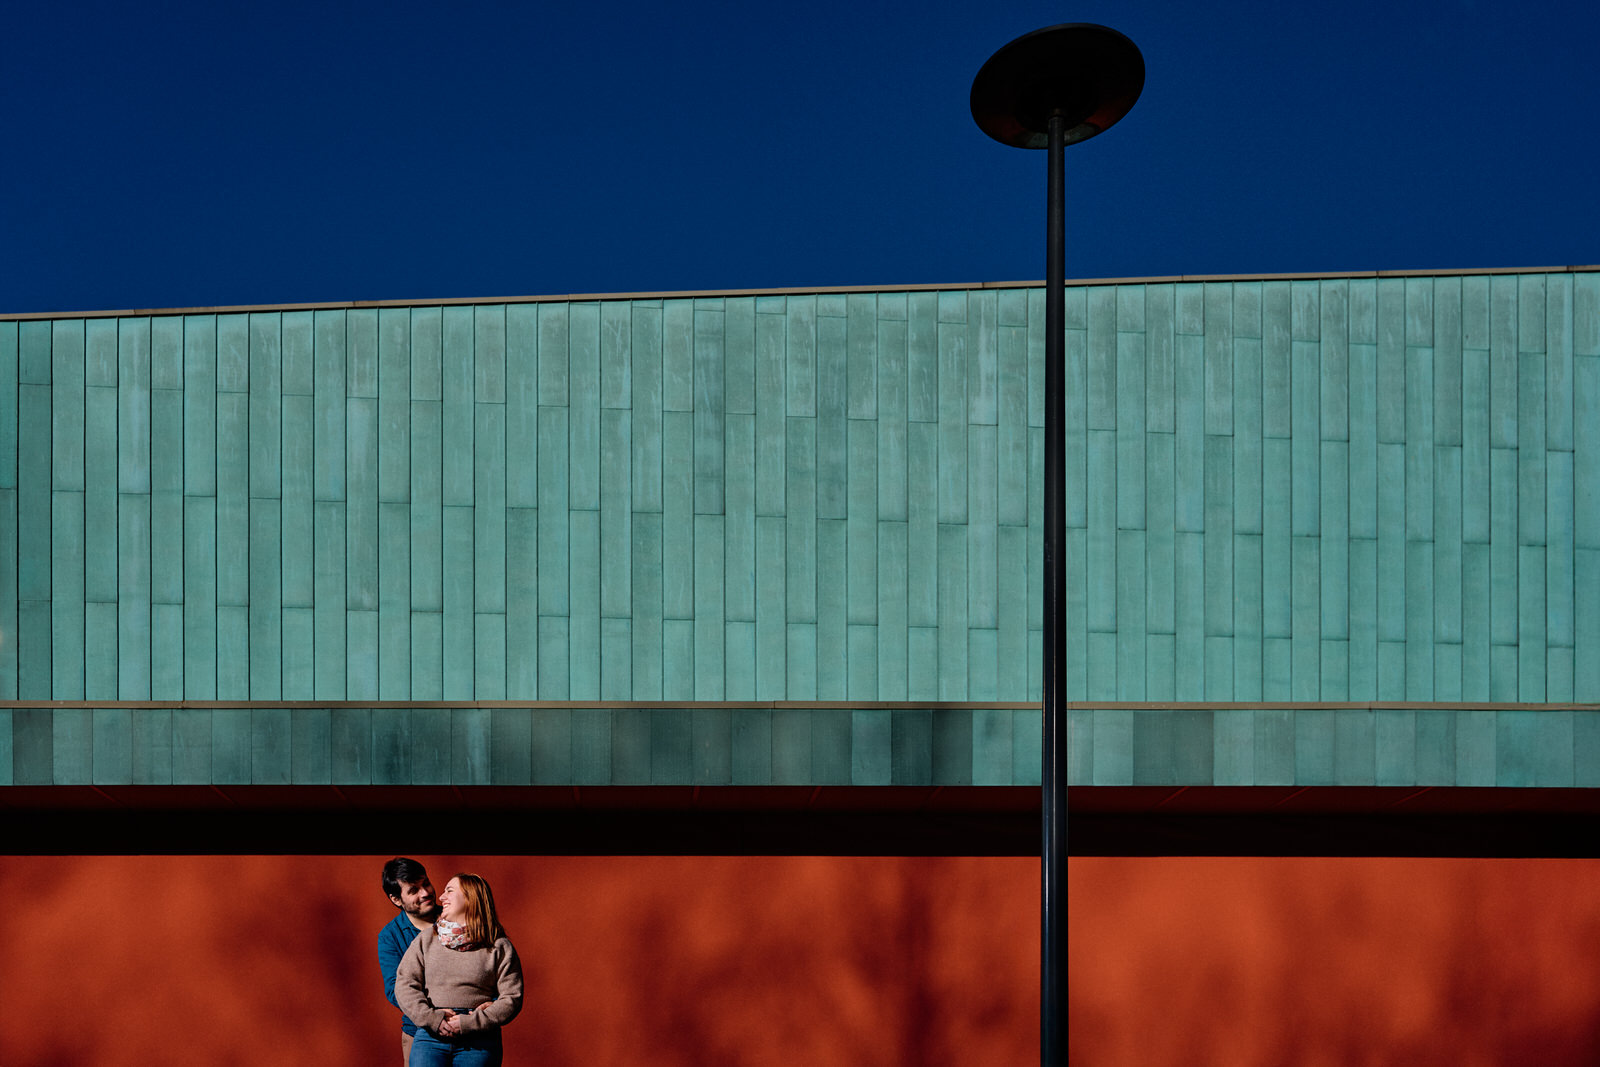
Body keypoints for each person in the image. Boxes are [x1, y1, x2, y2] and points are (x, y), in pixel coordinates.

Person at [395, 873, 524, 1067]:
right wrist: (433, 1018)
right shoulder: (426, 939)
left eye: (449, 891)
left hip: (479, 1039)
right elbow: (404, 984)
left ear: (470, 897)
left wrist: (473, 1022)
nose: (441, 897)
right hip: (431, 1037)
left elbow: (512, 997)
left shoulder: (499, 946)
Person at [379, 858, 441, 1066]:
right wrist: (435, 1015)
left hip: (471, 1033)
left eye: (426, 883)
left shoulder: (462, 918)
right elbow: (395, 989)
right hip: (420, 1034)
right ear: (397, 900)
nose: (425, 893)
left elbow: (492, 966)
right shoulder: (390, 936)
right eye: (414, 890)